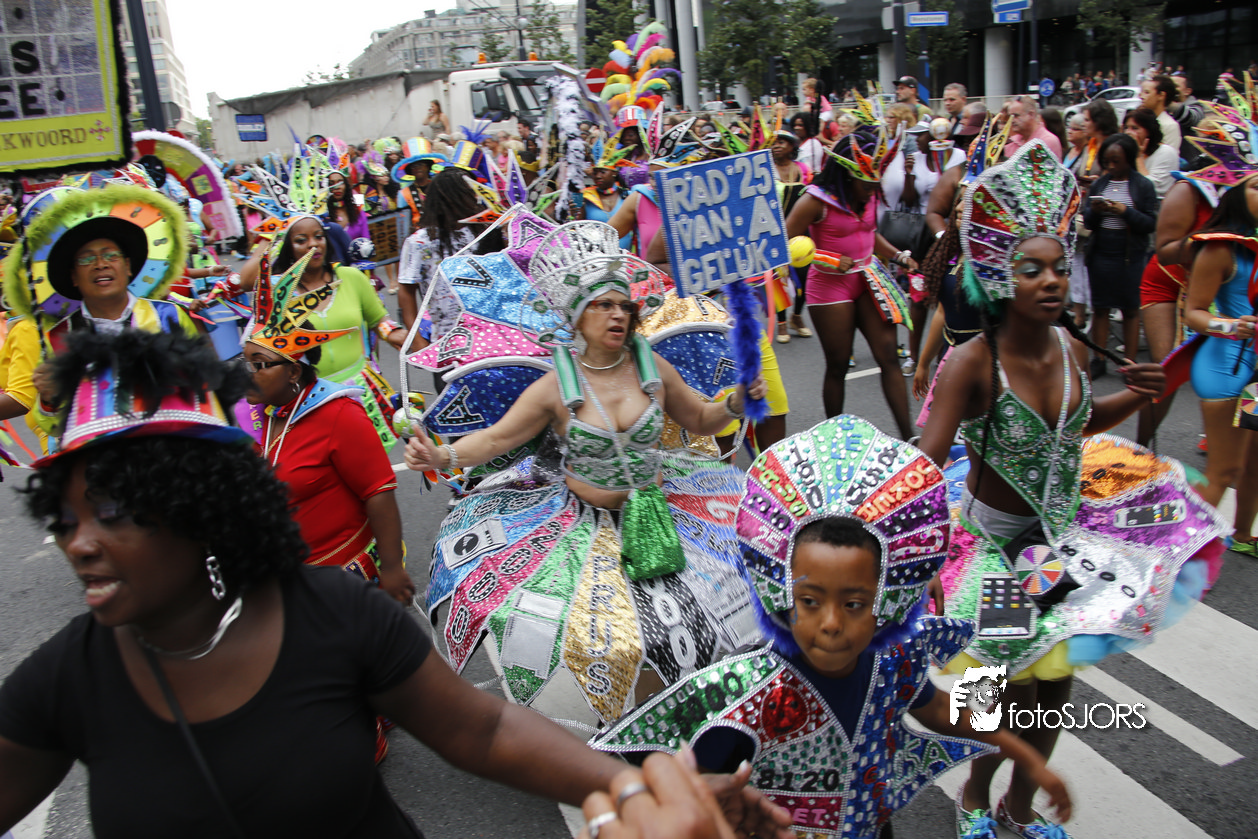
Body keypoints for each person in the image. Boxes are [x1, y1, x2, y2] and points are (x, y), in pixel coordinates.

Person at [0, 329, 792, 839]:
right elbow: (494, 438)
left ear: (198, 504)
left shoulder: (330, 614)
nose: (80, 543)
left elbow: (485, 730)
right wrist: (445, 456)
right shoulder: (66, 677)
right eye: (64, 518)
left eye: (111, 511)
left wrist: (648, 788)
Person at [919, 140, 1222, 839]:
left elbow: (1077, 423)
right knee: (998, 686)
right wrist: (920, 552)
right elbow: (925, 466)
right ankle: (974, 795)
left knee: (1052, 686)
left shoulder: (1071, 346)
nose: (1051, 281)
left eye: (1058, 266)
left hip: (1051, 547)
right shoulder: (974, 362)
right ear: (999, 277)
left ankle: (1018, 806)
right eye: (1032, 269)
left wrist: (1141, 391)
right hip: (996, 551)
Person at [593, 417, 1073, 839]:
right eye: (810, 600)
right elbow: (681, 788)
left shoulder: (896, 659)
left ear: (885, 601)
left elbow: (940, 711)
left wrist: (1025, 756)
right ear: (781, 594)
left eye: (854, 603)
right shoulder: (746, 692)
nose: (830, 624)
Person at [404, 217, 771, 727]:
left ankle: (685, 719)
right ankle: (626, 728)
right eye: (603, 304)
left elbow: (701, 420)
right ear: (577, 315)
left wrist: (734, 403)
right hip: (582, 529)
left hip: (662, 514)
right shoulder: (557, 385)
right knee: (613, 639)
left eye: (624, 305)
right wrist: (441, 457)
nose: (617, 314)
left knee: (699, 614)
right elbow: (495, 440)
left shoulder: (652, 368)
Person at [0, 184, 200, 453]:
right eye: (86, 259)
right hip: (95, 462)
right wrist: (48, 400)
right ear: (72, 276)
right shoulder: (57, 336)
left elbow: (202, 391)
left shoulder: (168, 316)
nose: (101, 264)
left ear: (128, 266)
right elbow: (52, 426)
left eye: (110, 255)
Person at [786, 132, 918, 437]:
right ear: (847, 175)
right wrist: (827, 258)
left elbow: (869, 234)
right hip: (830, 287)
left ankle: (909, 437)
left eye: (875, 185)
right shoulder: (815, 200)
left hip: (868, 278)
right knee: (838, 365)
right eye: (866, 185)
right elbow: (784, 242)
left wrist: (899, 256)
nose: (871, 191)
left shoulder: (867, 195)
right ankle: (835, 439)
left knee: (889, 356)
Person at [267, 215, 410, 449]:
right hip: (308, 397)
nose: (313, 244)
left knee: (372, 462)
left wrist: (396, 334)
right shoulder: (279, 292)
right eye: (301, 240)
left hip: (359, 390)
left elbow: (379, 319)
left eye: (319, 237)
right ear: (288, 248)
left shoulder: (351, 278)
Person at [1182, 173, 1258, 554]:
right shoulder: (1221, 249)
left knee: (1254, 464)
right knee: (1223, 470)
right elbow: (1194, 312)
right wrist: (1230, 325)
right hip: (1227, 369)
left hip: (1255, 374)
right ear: (1236, 195)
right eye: (1257, 186)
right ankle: (1176, 552)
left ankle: (1242, 536)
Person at [1083, 133, 1158, 379]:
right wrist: (1095, 211)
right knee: (1100, 307)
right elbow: (1088, 222)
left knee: (1130, 309)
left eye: (1117, 161)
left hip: (1130, 255)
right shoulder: (1100, 184)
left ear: (1129, 159)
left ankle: (1129, 363)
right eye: (1107, 161)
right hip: (1101, 252)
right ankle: (1099, 358)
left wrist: (1125, 211)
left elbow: (1150, 223)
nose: (1111, 166)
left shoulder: (1143, 185)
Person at [1123, 107, 1177, 198]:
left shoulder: (1166, 152)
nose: (1128, 132)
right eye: (1126, 128)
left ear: (1149, 131)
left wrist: (1138, 157)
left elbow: (1150, 188)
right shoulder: (1126, 152)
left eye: (1135, 128)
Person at [1002, 95, 1063, 159]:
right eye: (1010, 116)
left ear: (1031, 114)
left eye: (1016, 116)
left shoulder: (1048, 141)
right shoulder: (1011, 142)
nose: (1012, 120)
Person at [1140, 75, 1183, 153]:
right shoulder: (1138, 120)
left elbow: (1169, 156)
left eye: (1147, 92)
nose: (1141, 96)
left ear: (1161, 95)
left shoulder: (1170, 126)